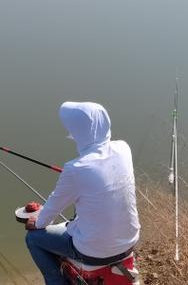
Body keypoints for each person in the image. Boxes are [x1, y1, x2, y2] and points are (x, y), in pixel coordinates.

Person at [25, 101, 140, 285]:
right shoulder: (124, 149)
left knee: (33, 239)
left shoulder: (75, 169)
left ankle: (56, 282)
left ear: (77, 133)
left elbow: (51, 211)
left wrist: (36, 222)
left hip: (94, 252)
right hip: (129, 242)